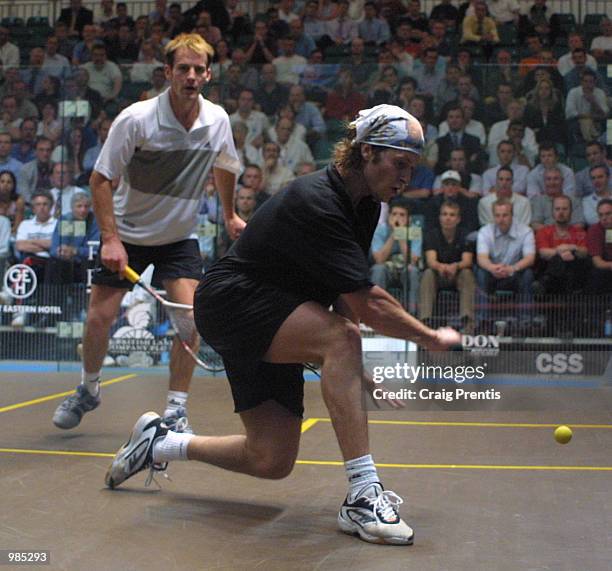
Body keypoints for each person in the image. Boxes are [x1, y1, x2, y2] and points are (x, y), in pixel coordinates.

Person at [104, 104, 461, 546]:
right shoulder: (319, 200)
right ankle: (363, 496)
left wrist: (355, 367)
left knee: (270, 459)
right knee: (341, 337)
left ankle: (159, 443)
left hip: (278, 310)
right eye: (400, 164)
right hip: (233, 301)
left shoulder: (365, 204)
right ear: (367, 152)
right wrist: (428, 337)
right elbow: (366, 306)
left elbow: (342, 292)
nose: (407, 178)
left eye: (412, 167)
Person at [52, 33, 244, 431]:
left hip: (179, 237)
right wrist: (110, 238)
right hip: (129, 235)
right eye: (182, 69)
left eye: (197, 69)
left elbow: (225, 165)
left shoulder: (217, 120)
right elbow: (101, 178)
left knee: (190, 322)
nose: (190, 76)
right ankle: (88, 389)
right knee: (98, 319)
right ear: (168, 72)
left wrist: (229, 214)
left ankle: (176, 409)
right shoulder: (136, 119)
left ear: (207, 74)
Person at [419, 200, 476, 332]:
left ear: (458, 219)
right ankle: (424, 322)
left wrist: (455, 266)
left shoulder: (465, 235)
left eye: (452, 215)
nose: (448, 218)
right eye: (444, 214)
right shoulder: (431, 235)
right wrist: (442, 267)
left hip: (458, 275)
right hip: (438, 275)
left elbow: (467, 261)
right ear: (440, 217)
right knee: (428, 273)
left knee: (467, 273)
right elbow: (431, 261)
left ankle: (468, 323)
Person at [476, 198, 535, 324]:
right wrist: (493, 268)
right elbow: (482, 258)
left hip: (514, 273)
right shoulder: (485, 231)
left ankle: (525, 321)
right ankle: (482, 320)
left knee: (528, 274)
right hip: (493, 273)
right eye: (497, 215)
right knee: (480, 273)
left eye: (505, 215)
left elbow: (530, 258)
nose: (501, 219)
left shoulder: (525, 231)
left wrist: (512, 268)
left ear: (512, 215)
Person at [370, 202, 421, 313]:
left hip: (406, 268)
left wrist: (400, 233)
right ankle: (376, 312)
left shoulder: (414, 231)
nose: (397, 217)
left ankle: (411, 314)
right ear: (389, 216)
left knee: (413, 271)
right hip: (387, 267)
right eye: (394, 214)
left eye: (402, 215)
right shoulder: (380, 229)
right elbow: (379, 259)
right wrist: (394, 234)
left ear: (409, 218)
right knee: (378, 269)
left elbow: (412, 261)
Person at [534, 195, 588, 295]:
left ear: (571, 212)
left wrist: (571, 247)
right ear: (552, 212)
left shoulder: (579, 232)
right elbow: (543, 252)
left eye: (565, 209)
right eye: (557, 209)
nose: (561, 212)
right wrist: (560, 253)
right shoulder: (543, 231)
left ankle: (545, 284)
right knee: (558, 260)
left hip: (573, 273)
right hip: (549, 270)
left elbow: (585, 252)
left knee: (576, 261)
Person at [587, 198, 612, 294]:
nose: (604, 218)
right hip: (605, 270)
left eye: (608, 214)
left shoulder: (610, 230)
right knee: (599, 274)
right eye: (601, 215)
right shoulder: (595, 230)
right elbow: (597, 262)